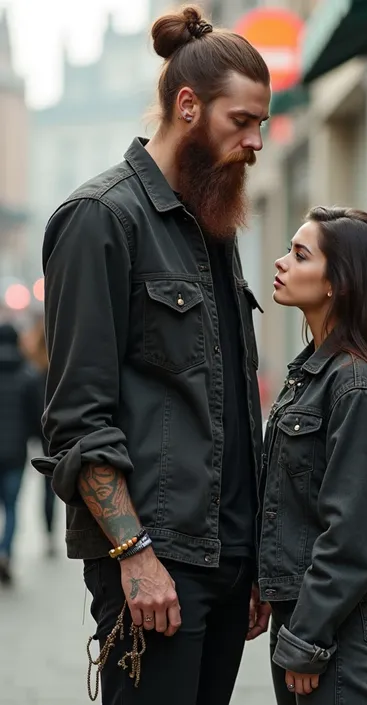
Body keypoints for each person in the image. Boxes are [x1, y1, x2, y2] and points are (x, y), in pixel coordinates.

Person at [32, 5, 272, 705]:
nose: (257, 141)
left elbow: (225, 404)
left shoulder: (214, 228)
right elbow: (78, 418)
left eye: (261, 121)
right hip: (153, 567)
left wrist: (254, 556)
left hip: (225, 562)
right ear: (188, 106)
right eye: (243, 122)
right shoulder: (101, 218)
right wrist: (133, 555)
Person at [258, 207, 367, 704]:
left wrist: (310, 636)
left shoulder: (353, 383)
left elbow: (352, 529)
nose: (280, 263)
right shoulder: (313, 374)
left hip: (334, 623)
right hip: (304, 611)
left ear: (339, 281)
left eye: (299, 255)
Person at [0, 322, 41, 585]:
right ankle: (4, 552)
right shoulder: (28, 375)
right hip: (15, 454)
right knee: (12, 508)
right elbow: (36, 419)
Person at [26, 315, 57, 557]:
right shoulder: (60, 369)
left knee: (48, 487)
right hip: (63, 431)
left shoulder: (35, 371)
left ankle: (48, 534)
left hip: (46, 436)